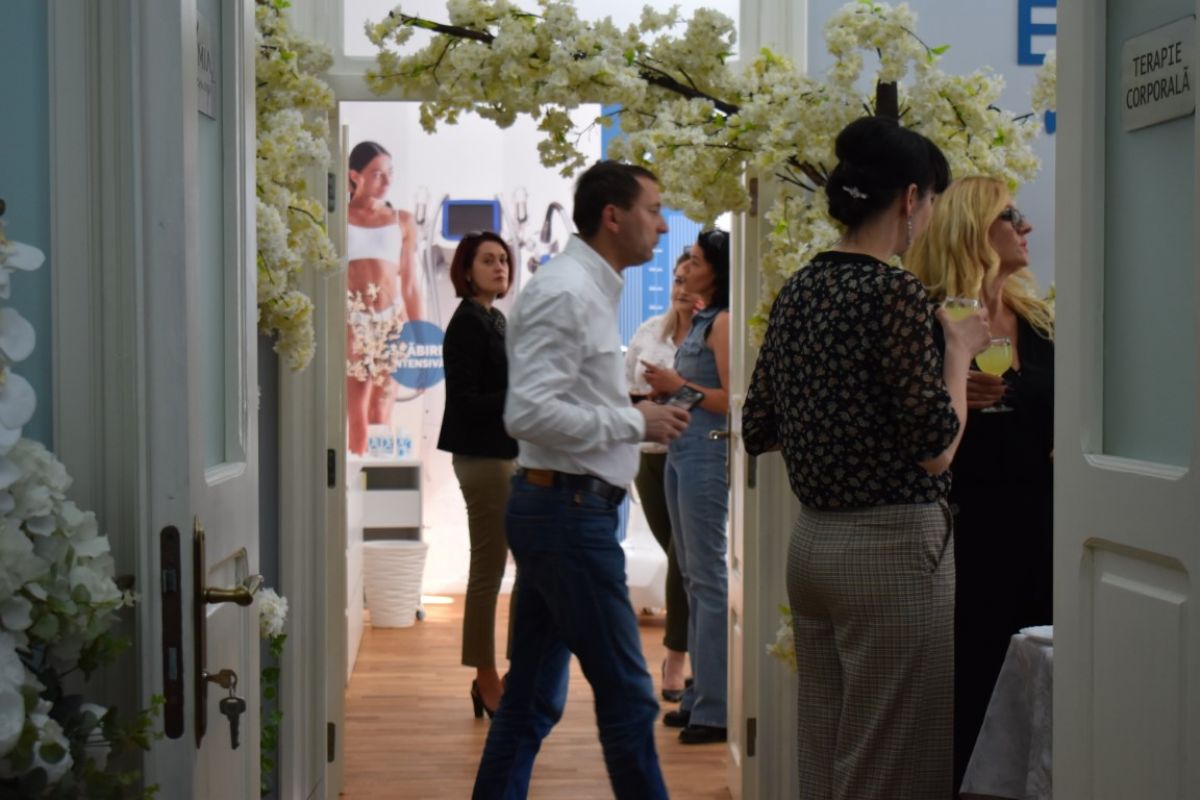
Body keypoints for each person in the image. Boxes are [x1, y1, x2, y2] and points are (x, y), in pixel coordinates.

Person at [742, 116, 991, 798]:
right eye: (932, 200)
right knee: (892, 762)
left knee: (826, 750)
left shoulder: (800, 288)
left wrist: (838, 420)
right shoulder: (894, 291)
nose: (930, 216)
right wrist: (959, 352)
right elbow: (937, 449)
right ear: (911, 199)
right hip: (892, 550)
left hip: (813, 547)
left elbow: (758, 425)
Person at [472, 160, 688, 800]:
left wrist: (630, 410)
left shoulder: (586, 288)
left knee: (531, 700)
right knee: (628, 696)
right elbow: (527, 413)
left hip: (563, 507)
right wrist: (632, 420)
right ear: (613, 216)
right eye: (653, 209)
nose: (663, 225)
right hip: (566, 513)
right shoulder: (567, 291)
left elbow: (557, 401)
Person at [906, 176, 1054, 796]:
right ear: (973, 230)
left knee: (1041, 690)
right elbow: (912, 442)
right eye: (1011, 216)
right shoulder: (930, 323)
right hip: (966, 536)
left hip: (1044, 529)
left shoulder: (1039, 320)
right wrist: (956, 390)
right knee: (972, 686)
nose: (1026, 227)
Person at [642, 229, 731, 744]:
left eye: (695, 261)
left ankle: (716, 709)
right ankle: (700, 696)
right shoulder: (702, 320)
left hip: (705, 453)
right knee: (695, 579)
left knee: (708, 578)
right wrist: (668, 393)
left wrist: (679, 387)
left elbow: (729, 399)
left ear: (715, 272)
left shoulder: (721, 323)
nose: (684, 270)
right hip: (680, 451)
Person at [436, 231, 520, 719]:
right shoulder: (467, 323)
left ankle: (512, 671)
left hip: (504, 454)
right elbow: (465, 402)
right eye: (488, 260)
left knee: (520, 566)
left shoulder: (495, 319)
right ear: (466, 270)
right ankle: (486, 678)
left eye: (503, 259)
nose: (499, 266)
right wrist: (520, 395)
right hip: (483, 459)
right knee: (489, 571)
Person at [624, 250, 695, 702]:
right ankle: (691, 657)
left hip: (694, 455)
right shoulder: (649, 332)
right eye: (677, 279)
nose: (682, 288)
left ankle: (676, 659)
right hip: (649, 456)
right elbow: (621, 393)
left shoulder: (714, 334)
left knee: (684, 555)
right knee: (681, 556)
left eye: (691, 279)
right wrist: (644, 402)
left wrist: (678, 389)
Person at [346, 140, 421, 455]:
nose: (387, 181)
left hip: (391, 323)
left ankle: (379, 479)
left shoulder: (402, 220)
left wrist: (421, 334)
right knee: (358, 420)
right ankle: (355, 484)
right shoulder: (337, 218)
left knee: (380, 414)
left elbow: (411, 284)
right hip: (353, 323)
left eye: (390, 172)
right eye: (377, 174)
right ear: (355, 176)